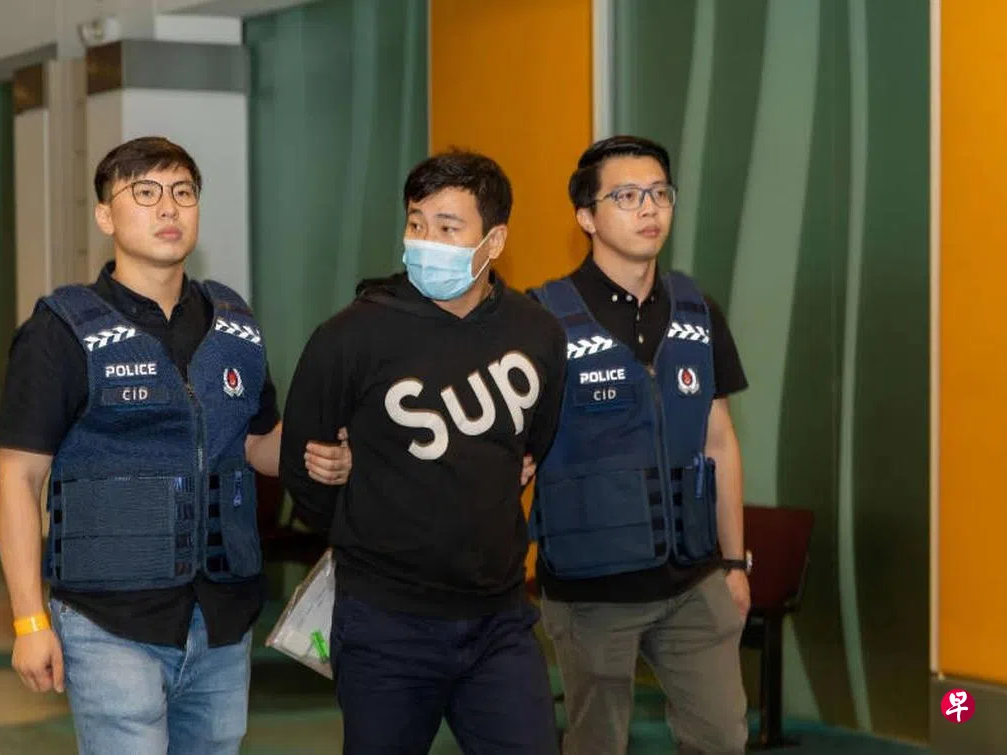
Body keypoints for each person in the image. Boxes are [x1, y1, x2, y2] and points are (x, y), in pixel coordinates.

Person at [0, 136, 351, 755]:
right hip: (111, 619)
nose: (168, 208)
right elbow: (17, 481)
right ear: (105, 216)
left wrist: (322, 447)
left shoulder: (234, 323)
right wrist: (29, 620)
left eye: (183, 193)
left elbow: (257, 443)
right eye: (146, 193)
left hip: (222, 617)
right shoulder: (61, 331)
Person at [279, 150, 567, 755]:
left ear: (494, 240)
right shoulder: (350, 336)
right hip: (386, 622)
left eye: (448, 227)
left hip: (499, 619)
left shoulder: (538, 332)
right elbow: (304, 470)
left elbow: (529, 447)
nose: (427, 241)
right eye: (417, 223)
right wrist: (363, 521)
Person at [529, 135, 751, 755]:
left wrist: (735, 565)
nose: (649, 208)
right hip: (592, 590)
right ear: (586, 216)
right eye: (626, 196)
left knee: (722, 737)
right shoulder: (542, 320)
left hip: (693, 581)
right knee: (597, 743)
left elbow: (720, 441)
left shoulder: (698, 311)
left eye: (659, 193)